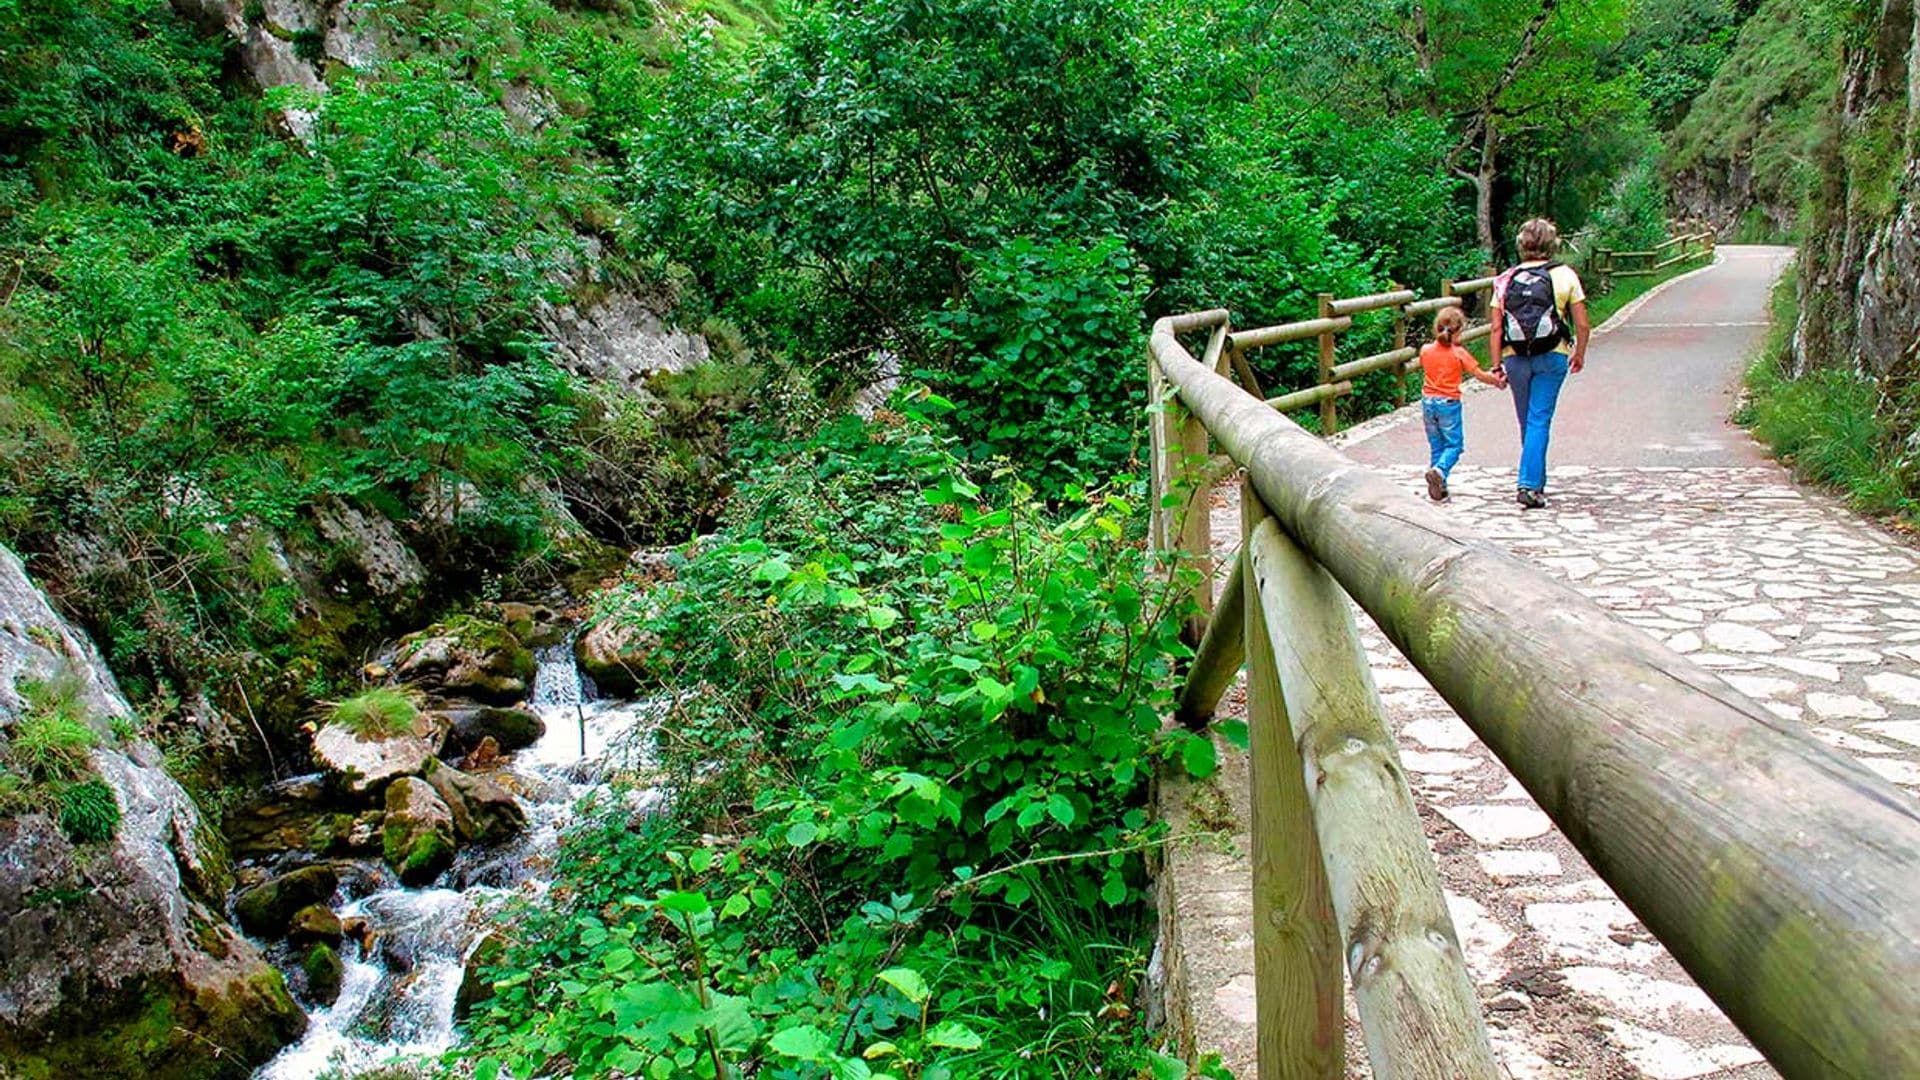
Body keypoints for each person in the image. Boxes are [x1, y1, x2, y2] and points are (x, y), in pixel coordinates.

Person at [1488, 218, 1590, 509]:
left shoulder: (1506, 278)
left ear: (1522, 245)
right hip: (1552, 353)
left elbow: (1496, 328)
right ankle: (1530, 484)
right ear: (1552, 244)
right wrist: (1579, 352)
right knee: (1539, 418)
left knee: (1528, 420)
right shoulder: (1565, 275)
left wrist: (1496, 366)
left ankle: (1534, 480)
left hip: (1515, 357)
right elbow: (1582, 323)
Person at [1419, 306, 1505, 502]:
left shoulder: (1425, 350)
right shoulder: (1459, 353)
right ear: (1458, 331)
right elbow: (1480, 375)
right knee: (1455, 446)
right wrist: (1498, 381)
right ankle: (1440, 471)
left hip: (1428, 402)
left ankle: (1439, 486)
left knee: (1436, 446)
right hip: (1448, 403)